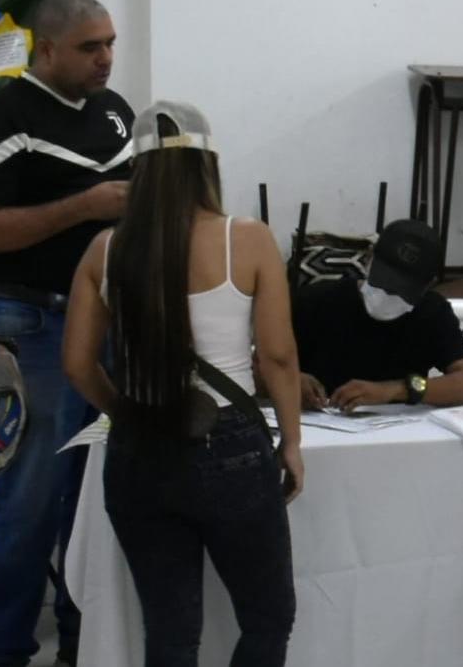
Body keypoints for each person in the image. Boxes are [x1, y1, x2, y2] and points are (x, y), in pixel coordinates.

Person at [62, 101, 302, 666]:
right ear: (207, 165)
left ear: (136, 174)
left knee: (170, 634)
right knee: (268, 617)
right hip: (233, 447)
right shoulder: (248, 240)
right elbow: (278, 357)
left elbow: (77, 364)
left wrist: (124, 413)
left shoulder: (106, 250)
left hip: (139, 451)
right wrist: (290, 441)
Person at [0, 0, 131, 667]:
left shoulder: (115, 113)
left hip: (108, 319)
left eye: (111, 43)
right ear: (46, 48)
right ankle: (1, 648)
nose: (106, 59)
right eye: (91, 47)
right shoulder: (4, 114)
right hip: (33, 319)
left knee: (96, 493)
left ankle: (83, 639)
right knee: (32, 500)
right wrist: (85, 204)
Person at [292, 219, 463, 411]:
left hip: (400, 431)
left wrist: (398, 389)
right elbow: (263, 369)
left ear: (428, 284)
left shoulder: (431, 312)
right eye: (383, 282)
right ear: (369, 259)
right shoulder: (316, 300)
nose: (389, 293)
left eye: (401, 290)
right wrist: (291, 380)